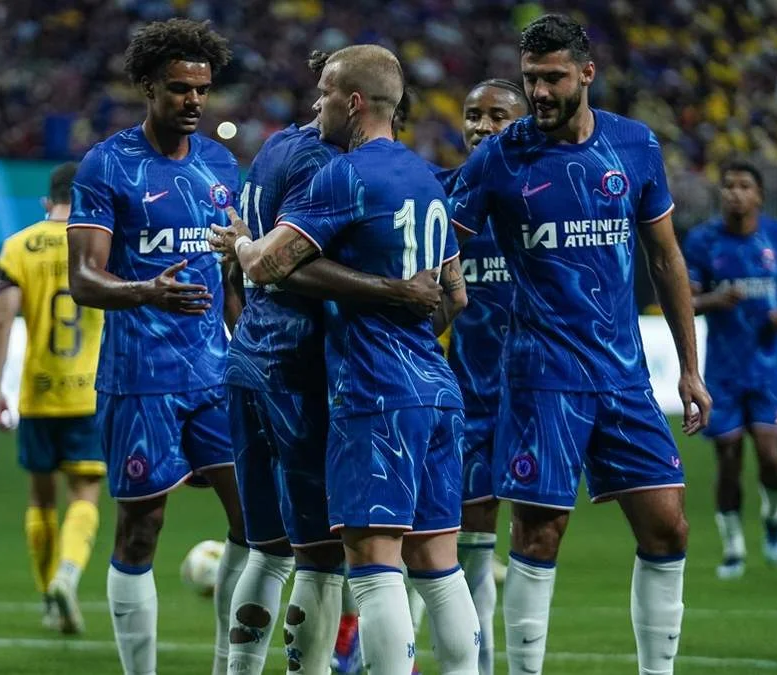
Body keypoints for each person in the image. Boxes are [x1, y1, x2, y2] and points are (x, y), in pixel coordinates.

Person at [448, 15, 711, 675]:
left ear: (587, 74)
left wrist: (690, 368)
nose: (539, 92)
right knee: (538, 533)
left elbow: (666, 258)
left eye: (553, 78)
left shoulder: (634, 145)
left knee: (668, 526)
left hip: (623, 374)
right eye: (531, 78)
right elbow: (440, 250)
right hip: (542, 376)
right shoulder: (498, 159)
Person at [211, 44, 480, 675]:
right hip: (433, 384)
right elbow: (453, 296)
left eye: (325, 93)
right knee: (438, 567)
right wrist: (402, 306)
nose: (316, 105)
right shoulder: (426, 176)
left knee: (328, 558)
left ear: (352, 101)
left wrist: (242, 243)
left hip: (346, 383)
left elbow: (266, 265)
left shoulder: (318, 164)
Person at [65, 19, 247, 675]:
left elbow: (231, 275)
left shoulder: (220, 164)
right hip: (140, 377)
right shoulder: (107, 165)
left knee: (256, 522)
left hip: (216, 375)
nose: (193, 100)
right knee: (141, 529)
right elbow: (83, 278)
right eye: (178, 89)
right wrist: (146, 291)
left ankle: (231, 665)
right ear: (148, 86)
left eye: (202, 89)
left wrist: (249, 347)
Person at [437, 77, 528, 675]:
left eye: (498, 116)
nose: (482, 127)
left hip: (537, 396)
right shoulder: (441, 197)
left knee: (533, 539)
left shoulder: (546, 196)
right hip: (467, 399)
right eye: (473, 115)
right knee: (465, 538)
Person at [0, 162, 104, 635]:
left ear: (47, 201)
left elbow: (4, 317)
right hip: (89, 391)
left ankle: (48, 599)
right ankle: (68, 575)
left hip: (37, 392)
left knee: (41, 499)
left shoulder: (18, 246)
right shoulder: (100, 243)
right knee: (86, 493)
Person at [683, 160, 777, 579]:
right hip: (723, 372)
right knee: (729, 461)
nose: (735, 192)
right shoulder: (702, 241)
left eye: (744, 186)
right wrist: (714, 300)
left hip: (768, 369)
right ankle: (733, 548)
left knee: (771, 457)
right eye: (728, 185)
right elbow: (685, 299)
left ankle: (774, 516)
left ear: (759, 196)